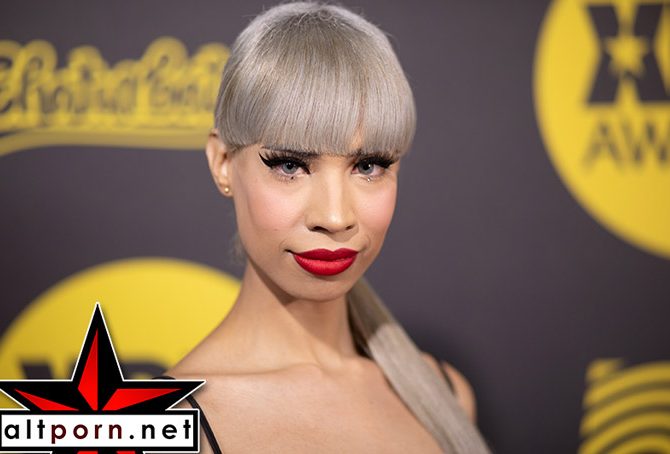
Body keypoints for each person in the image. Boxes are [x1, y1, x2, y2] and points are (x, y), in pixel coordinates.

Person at [163, 2, 491, 452]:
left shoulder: (444, 395)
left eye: (369, 165)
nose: (335, 218)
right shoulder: (161, 428)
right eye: (290, 165)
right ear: (222, 163)